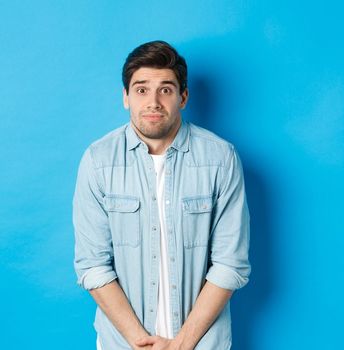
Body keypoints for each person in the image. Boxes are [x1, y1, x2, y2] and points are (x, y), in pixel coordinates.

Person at [73, 40, 251, 350]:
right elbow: (93, 266)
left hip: (202, 344)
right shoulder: (98, 161)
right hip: (122, 344)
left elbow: (231, 264)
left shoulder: (221, 158)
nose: (153, 102)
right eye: (141, 90)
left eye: (166, 90)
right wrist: (139, 342)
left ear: (183, 97)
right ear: (126, 97)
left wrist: (181, 344)